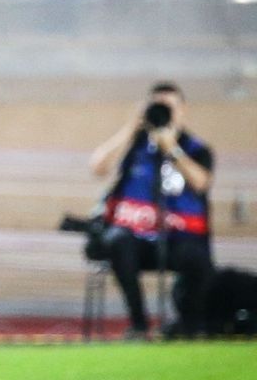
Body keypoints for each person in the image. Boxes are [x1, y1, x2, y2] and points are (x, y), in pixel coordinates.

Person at [89, 82, 214, 339]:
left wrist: (171, 148)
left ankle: (187, 327)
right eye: (158, 107)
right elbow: (98, 167)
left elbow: (201, 182)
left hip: (179, 239)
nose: (163, 112)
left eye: (169, 107)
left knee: (198, 259)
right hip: (137, 239)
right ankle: (139, 324)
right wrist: (130, 128)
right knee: (117, 241)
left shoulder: (196, 148)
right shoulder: (134, 146)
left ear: (182, 110)